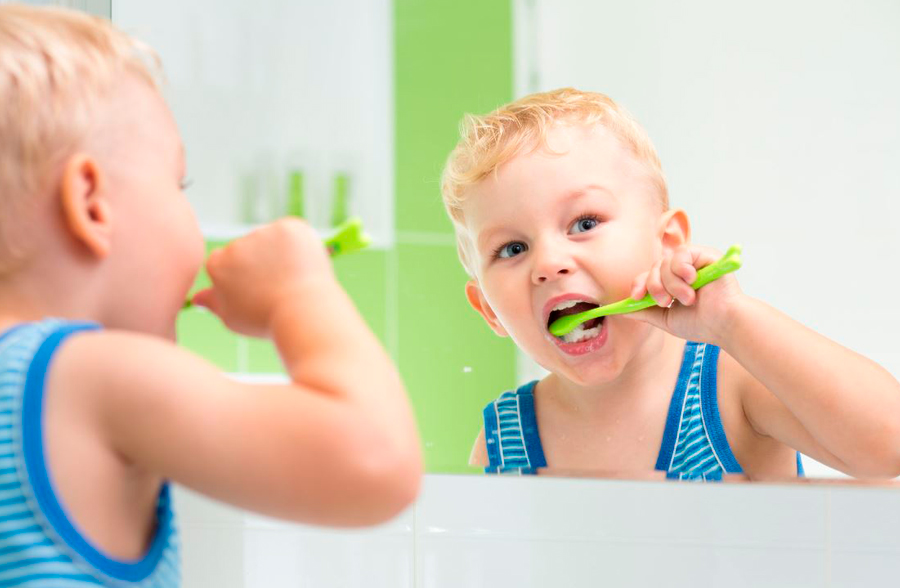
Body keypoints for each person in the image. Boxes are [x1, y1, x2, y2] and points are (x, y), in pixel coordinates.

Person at [0, 5, 421, 585]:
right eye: (179, 185)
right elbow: (377, 463)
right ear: (91, 202)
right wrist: (297, 292)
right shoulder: (88, 376)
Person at [441, 87, 900, 481]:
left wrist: (733, 321)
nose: (549, 263)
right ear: (488, 310)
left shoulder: (730, 388)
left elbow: (889, 447)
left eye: (584, 222)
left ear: (665, 243)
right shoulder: (504, 440)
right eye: (512, 250)